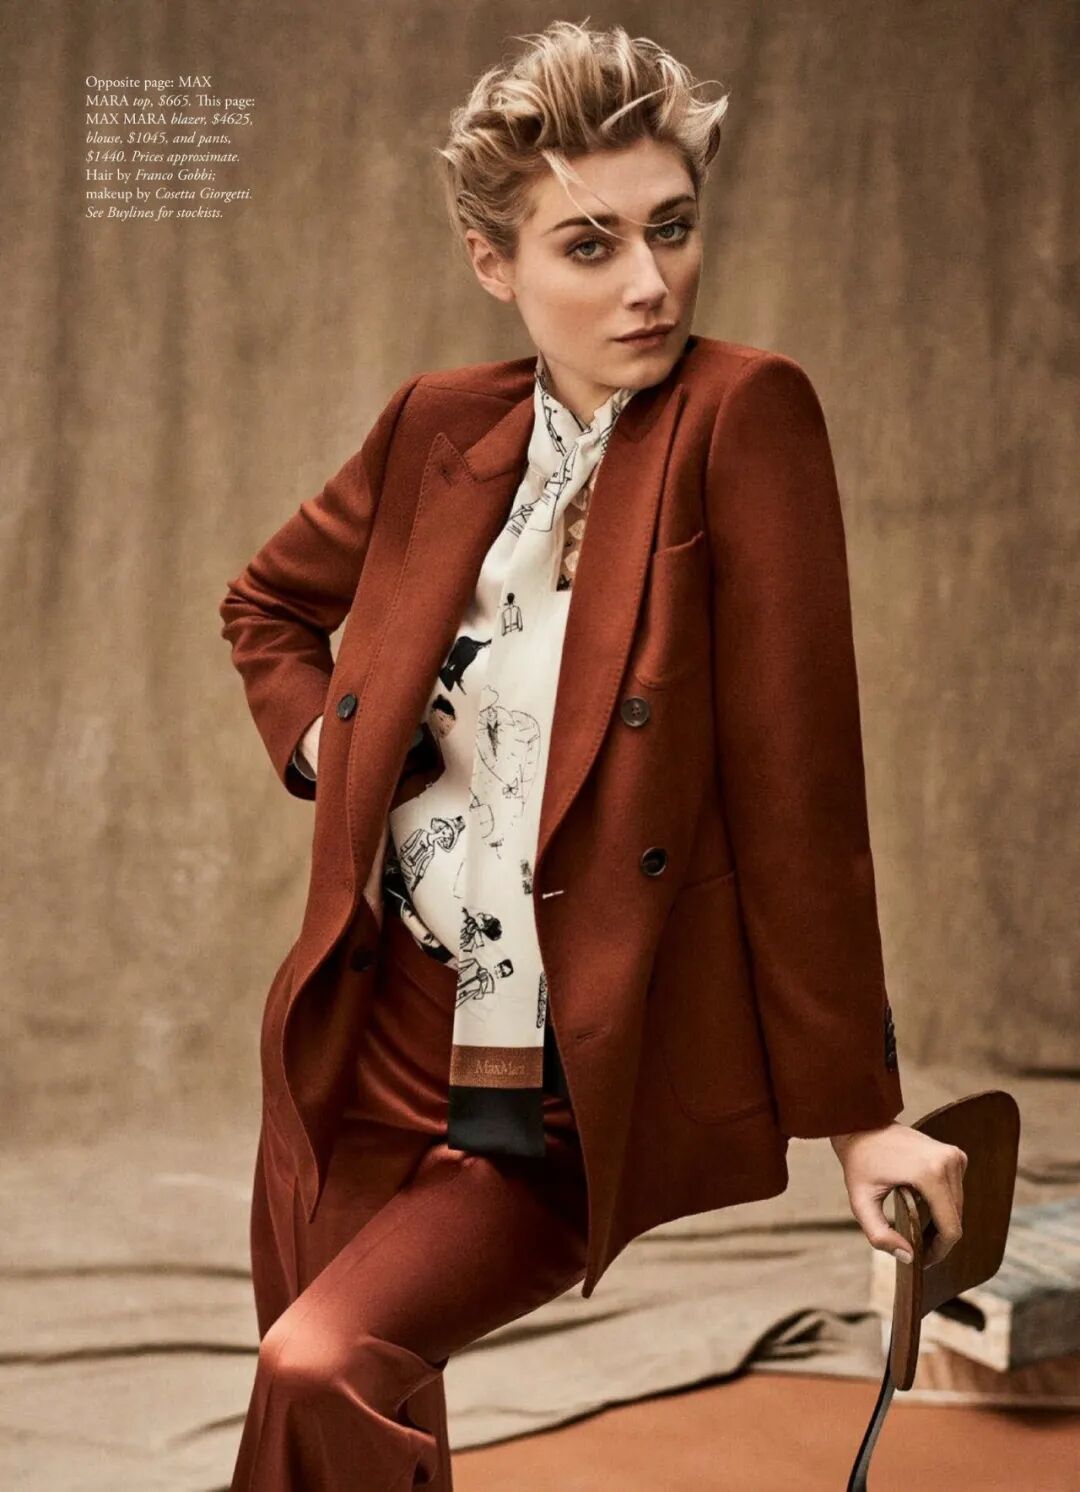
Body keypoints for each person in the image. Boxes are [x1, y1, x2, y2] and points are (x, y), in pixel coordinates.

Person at [220, 20, 967, 1490]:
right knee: (350, 1424)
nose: (648, 282)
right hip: (371, 1027)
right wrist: (328, 749)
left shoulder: (743, 417)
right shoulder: (439, 425)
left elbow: (802, 796)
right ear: (494, 262)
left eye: (671, 229)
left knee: (319, 1364)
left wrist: (862, 1121)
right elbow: (268, 605)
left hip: (562, 1069)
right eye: (590, 243)